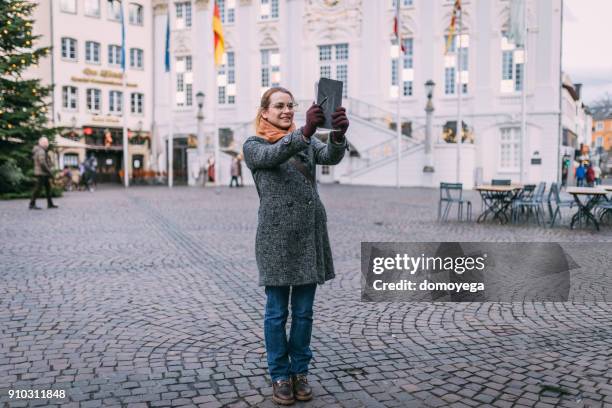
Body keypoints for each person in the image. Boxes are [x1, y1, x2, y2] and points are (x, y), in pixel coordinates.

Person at [243, 87, 349, 406]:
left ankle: (300, 372)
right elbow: (273, 156)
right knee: (277, 313)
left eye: (291, 105)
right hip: (276, 238)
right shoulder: (254, 145)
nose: (287, 110)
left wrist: (338, 136)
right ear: (264, 112)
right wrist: (304, 131)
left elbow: (329, 156)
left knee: (303, 313)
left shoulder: (304, 139)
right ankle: (279, 375)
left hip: (308, 234)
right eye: (279, 106)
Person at [29, 137, 58, 210]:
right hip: (42, 173)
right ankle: (32, 204)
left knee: (47, 188)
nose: (47, 144)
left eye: (47, 142)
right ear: (41, 143)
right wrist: (49, 171)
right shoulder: (41, 151)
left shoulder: (40, 150)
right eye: (46, 142)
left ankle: (50, 204)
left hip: (43, 173)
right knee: (38, 189)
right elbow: (42, 163)